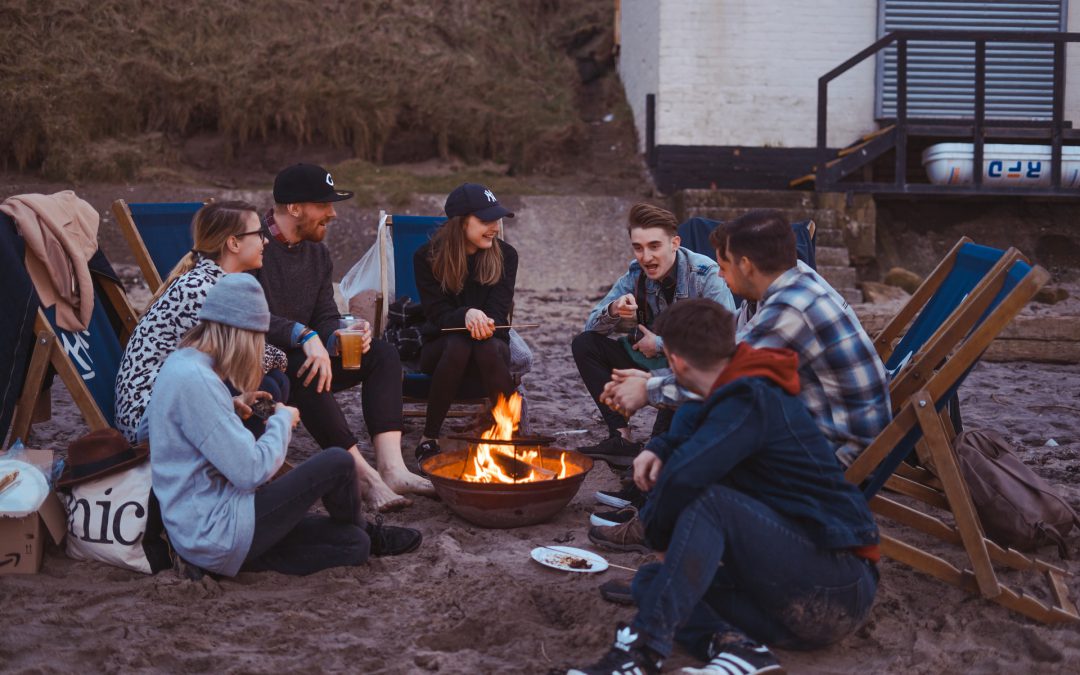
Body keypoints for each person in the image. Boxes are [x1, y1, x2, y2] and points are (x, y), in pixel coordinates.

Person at [570, 300, 879, 675]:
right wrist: (660, 447)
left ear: (675, 362)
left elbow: (685, 477)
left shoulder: (753, 396)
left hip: (836, 586)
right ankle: (737, 648)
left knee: (708, 503)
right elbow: (690, 422)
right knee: (653, 581)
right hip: (784, 606)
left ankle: (641, 653)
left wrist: (660, 538)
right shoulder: (724, 383)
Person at [145, 274, 422, 578]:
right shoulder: (196, 381)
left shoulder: (184, 364)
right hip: (217, 529)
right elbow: (250, 472)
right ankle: (368, 529)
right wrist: (281, 421)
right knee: (338, 462)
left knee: (352, 546)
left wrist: (233, 405)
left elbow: (191, 432)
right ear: (240, 333)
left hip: (207, 533)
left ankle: (363, 534)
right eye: (257, 339)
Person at [602, 208, 890, 469]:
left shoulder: (793, 307)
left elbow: (727, 376)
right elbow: (727, 349)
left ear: (746, 266)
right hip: (813, 420)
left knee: (710, 423)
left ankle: (653, 508)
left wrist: (648, 389)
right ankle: (648, 502)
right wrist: (661, 373)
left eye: (723, 269)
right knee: (695, 413)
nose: (721, 278)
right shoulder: (780, 285)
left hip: (842, 450)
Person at [251, 163, 433, 512]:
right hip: (265, 362)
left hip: (311, 352)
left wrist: (339, 333)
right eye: (324, 205)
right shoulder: (252, 245)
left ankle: (392, 468)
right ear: (294, 208)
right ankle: (364, 477)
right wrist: (305, 336)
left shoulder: (317, 252)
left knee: (382, 354)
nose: (333, 214)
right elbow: (248, 314)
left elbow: (324, 314)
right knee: (306, 368)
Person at [571, 203, 735, 469]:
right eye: (638, 247)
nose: (646, 257)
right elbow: (591, 325)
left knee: (661, 448)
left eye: (654, 246)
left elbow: (726, 342)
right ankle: (621, 438)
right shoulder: (636, 274)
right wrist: (614, 309)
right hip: (653, 364)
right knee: (585, 344)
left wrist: (659, 344)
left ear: (674, 243)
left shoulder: (705, 274)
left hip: (694, 371)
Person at [114, 201, 290, 443]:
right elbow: (245, 358)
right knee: (267, 382)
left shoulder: (210, 281)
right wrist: (285, 354)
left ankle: (242, 454)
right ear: (233, 242)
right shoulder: (201, 290)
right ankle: (239, 459)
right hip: (150, 419)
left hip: (176, 398)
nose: (266, 241)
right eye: (259, 234)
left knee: (273, 383)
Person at [412, 183, 519, 464]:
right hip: (441, 350)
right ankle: (429, 437)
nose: (494, 227)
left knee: (484, 344)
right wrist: (466, 314)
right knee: (460, 342)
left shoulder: (506, 256)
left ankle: (507, 435)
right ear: (460, 223)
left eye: (496, 219)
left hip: (491, 350)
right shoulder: (427, 257)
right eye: (485, 220)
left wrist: (482, 320)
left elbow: (498, 312)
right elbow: (437, 314)